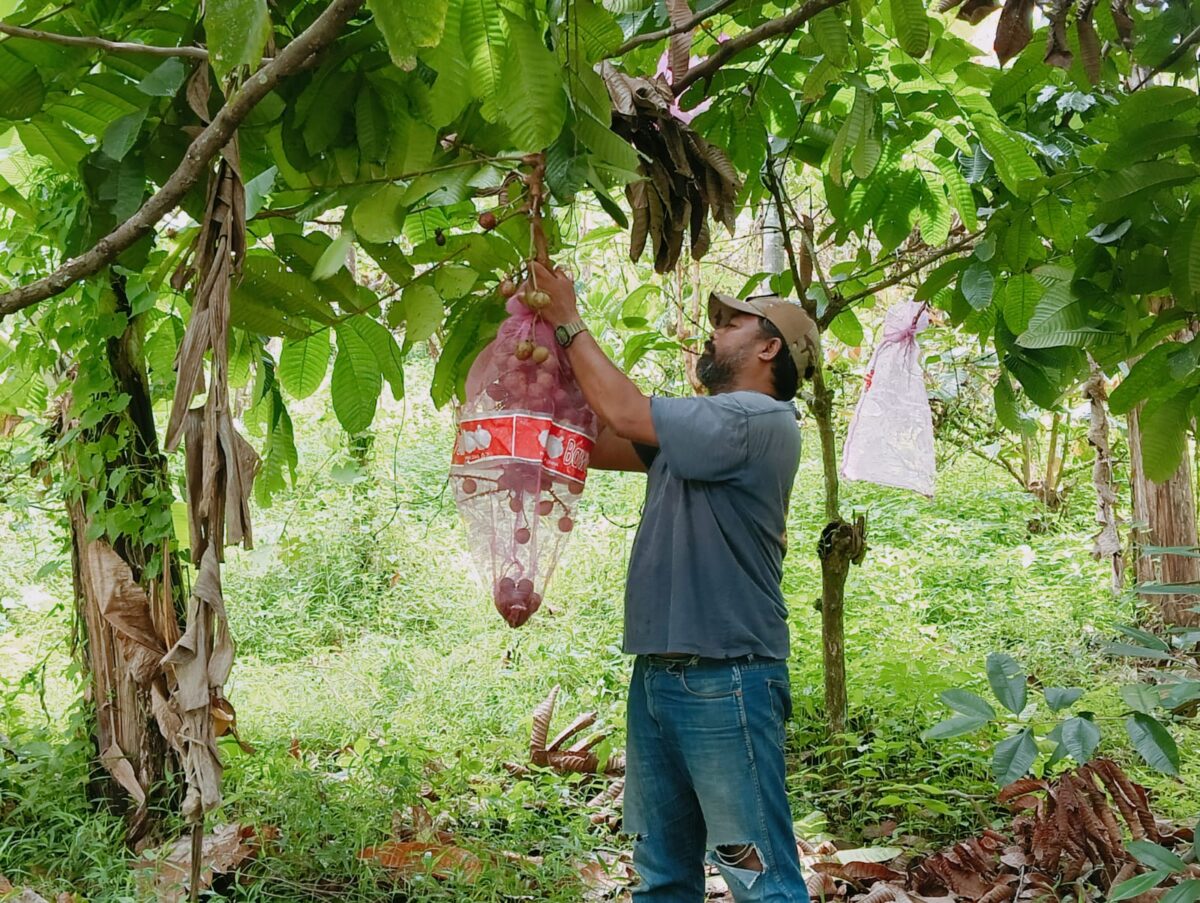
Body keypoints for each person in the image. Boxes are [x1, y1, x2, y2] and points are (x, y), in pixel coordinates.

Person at [529, 260, 819, 903]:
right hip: (661, 676)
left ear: (768, 348)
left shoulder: (756, 419)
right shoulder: (702, 431)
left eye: (731, 322)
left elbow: (628, 414)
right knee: (661, 875)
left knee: (759, 878)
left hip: (725, 680)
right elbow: (597, 440)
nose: (714, 331)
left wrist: (569, 318)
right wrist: (537, 340)